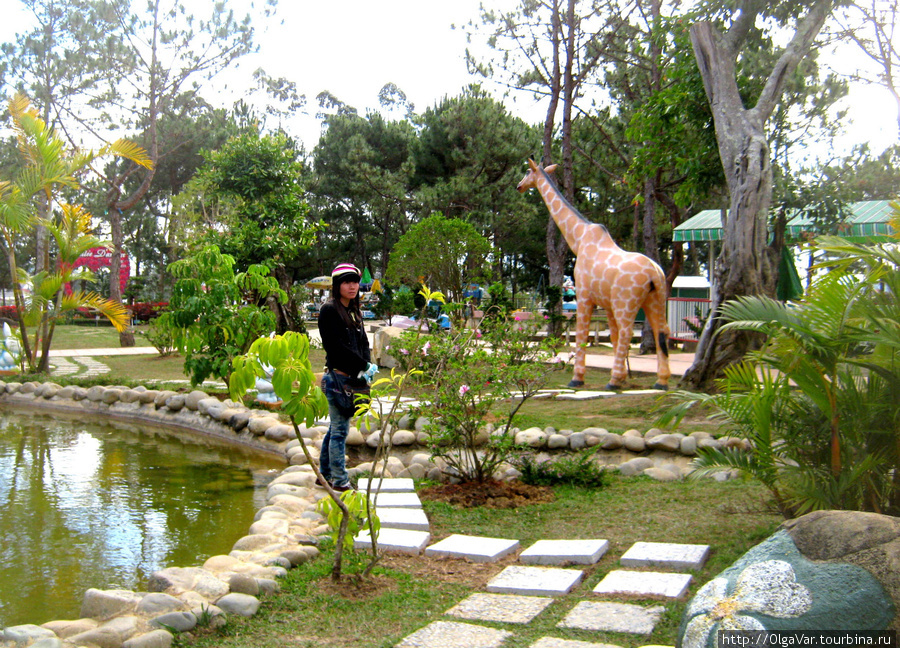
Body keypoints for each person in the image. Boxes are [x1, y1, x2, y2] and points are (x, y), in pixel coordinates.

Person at [317, 263, 377, 492]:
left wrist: (367, 366)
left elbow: (363, 342)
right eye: (346, 282)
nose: (352, 286)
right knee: (340, 431)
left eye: (355, 282)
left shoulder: (354, 309)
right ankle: (339, 480)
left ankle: (323, 474)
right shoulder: (329, 310)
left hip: (353, 378)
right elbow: (335, 347)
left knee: (336, 429)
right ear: (337, 285)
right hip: (337, 379)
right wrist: (362, 365)